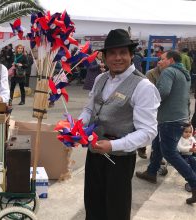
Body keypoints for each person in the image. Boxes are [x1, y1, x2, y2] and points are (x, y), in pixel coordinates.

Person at [78, 29, 160, 220]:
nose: (117, 58)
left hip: (119, 160)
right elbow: (89, 110)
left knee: (116, 211)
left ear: (131, 55)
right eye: (112, 53)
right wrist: (76, 126)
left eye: (123, 52)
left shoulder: (143, 86)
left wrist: (113, 145)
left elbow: (148, 132)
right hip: (94, 154)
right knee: (93, 205)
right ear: (105, 57)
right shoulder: (101, 79)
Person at [136, 50, 196, 205]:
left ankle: (194, 181)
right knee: (157, 144)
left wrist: (146, 103)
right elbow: (185, 98)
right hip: (180, 117)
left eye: (162, 59)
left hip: (169, 119)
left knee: (169, 152)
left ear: (170, 60)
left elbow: (162, 92)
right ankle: (151, 172)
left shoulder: (169, 72)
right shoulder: (184, 74)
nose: (159, 62)